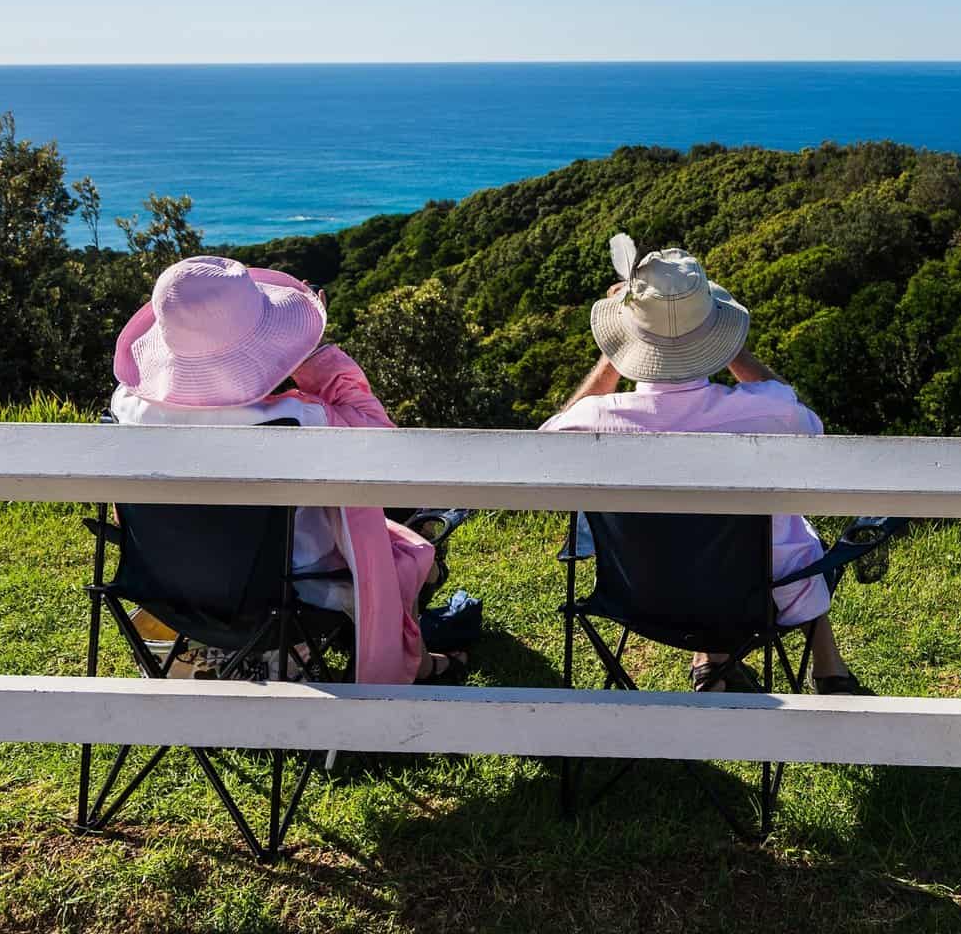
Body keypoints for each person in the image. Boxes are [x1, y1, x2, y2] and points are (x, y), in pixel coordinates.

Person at [541, 234, 870, 695]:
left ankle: (711, 663)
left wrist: (613, 355)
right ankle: (827, 671)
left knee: (703, 540)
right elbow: (809, 427)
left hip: (639, 593)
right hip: (753, 595)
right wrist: (732, 350)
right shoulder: (765, 412)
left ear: (628, 341)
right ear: (715, 337)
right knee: (790, 537)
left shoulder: (595, 422)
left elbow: (540, 452)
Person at [107, 255, 461, 685]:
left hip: (170, 588)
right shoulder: (297, 419)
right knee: (405, 546)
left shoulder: (127, 410)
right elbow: (383, 451)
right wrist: (313, 355)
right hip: (290, 591)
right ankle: (418, 660)